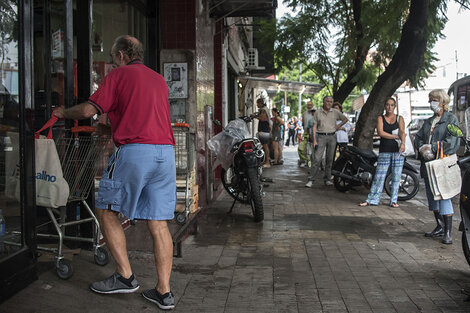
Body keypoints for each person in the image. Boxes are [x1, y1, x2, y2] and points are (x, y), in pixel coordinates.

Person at [53, 35, 176, 310]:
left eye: (111, 56)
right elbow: (145, 117)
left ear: (121, 55)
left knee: (107, 211)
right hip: (165, 154)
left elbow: (87, 109)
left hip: (135, 153)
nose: (111, 61)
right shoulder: (157, 79)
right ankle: (164, 292)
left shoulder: (119, 75)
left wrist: (62, 113)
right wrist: (113, 130)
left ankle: (125, 276)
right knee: (158, 223)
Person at [414, 89, 459, 244]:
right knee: (432, 197)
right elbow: (418, 138)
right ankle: (439, 226)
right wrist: (422, 148)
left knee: (444, 196)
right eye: (430, 99)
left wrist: (432, 148)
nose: (431, 103)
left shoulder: (451, 119)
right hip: (428, 165)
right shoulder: (428, 121)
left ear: (442, 101)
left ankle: (448, 232)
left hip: (442, 164)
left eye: (433, 99)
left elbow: (452, 142)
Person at [359, 98, 405, 208]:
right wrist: (394, 136)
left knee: (396, 176)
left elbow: (402, 132)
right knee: (379, 176)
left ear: (395, 106)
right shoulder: (380, 118)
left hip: (397, 150)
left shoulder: (399, 118)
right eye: (388, 105)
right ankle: (372, 199)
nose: (389, 107)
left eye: (392, 105)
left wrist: (403, 143)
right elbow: (381, 132)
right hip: (385, 150)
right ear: (385, 106)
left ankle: (394, 200)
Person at [306, 96, 348, 187]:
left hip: (332, 136)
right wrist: (314, 140)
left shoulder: (335, 112)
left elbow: (345, 119)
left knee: (329, 159)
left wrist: (338, 126)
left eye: (331, 102)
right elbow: (314, 126)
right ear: (323, 102)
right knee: (317, 159)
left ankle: (327, 179)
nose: (329, 103)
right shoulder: (318, 112)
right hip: (321, 136)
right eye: (327, 101)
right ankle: (311, 179)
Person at [254, 98, 271, 168]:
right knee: (264, 146)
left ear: (261, 103)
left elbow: (263, 118)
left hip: (264, 130)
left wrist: (254, 116)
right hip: (264, 130)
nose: (257, 105)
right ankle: (265, 161)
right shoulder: (263, 109)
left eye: (257, 103)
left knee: (265, 146)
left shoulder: (264, 110)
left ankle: (267, 162)